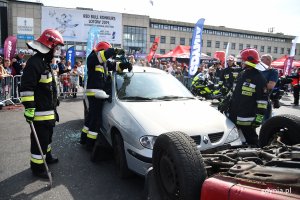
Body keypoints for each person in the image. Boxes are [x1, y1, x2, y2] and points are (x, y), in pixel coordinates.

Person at [20, 29, 64, 178]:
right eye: (55, 47)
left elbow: (49, 87)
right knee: (40, 139)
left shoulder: (44, 63)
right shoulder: (34, 63)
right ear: (48, 46)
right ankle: (38, 167)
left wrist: (55, 101)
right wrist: (29, 108)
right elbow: (26, 88)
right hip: (39, 113)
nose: (56, 50)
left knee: (48, 137)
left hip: (49, 112)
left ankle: (47, 156)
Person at [80, 41, 132, 150]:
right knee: (96, 120)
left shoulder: (104, 63)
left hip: (98, 94)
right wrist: (116, 50)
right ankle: (90, 144)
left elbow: (115, 66)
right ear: (101, 51)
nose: (109, 57)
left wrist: (125, 65)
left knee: (90, 118)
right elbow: (103, 55)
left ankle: (83, 138)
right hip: (95, 94)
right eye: (108, 52)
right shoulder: (93, 58)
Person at [228, 48, 268, 146]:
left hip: (247, 119)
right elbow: (234, 92)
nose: (241, 62)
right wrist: (226, 102)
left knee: (253, 141)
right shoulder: (242, 74)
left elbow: (262, 101)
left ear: (249, 61)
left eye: (242, 60)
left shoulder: (259, 78)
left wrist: (259, 118)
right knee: (233, 141)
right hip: (234, 115)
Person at [260, 54, 278, 121]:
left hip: (264, 100)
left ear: (268, 60)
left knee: (265, 122)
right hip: (254, 98)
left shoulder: (273, 72)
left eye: (262, 59)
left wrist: (256, 82)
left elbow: (270, 86)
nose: (260, 61)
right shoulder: (259, 70)